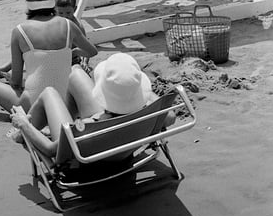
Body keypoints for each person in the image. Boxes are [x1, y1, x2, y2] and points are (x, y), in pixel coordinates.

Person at [10, 53, 174, 158]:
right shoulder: (154, 113)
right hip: (121, 139)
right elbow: (171, 117)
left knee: (48, 93)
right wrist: (139, 91)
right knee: (75, 73)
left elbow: (52, 150)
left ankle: (21, 134)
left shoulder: (87, 126)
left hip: (89, 156)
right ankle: (49, 126)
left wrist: (24, 124)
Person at [0, 0, 97, 112]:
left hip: (34, 105)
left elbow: (16, 82)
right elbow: (92, 51)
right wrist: (74, 53)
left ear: (28, 5)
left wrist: (13, 80)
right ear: (52, 3)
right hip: (67, 102)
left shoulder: (19, 31)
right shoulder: (68, 25)